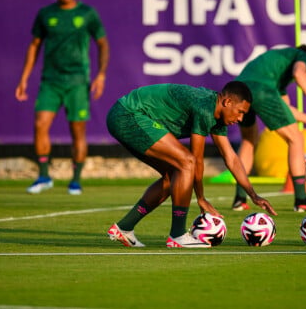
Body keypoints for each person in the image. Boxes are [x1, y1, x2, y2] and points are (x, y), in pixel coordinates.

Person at [106, 81, 277, 248]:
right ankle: (178, 235)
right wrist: (200, 198)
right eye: (240, 112)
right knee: (186, 163)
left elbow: (230, 157)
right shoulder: (204, 107)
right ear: (227, 102)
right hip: (127, 114)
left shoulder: (217, 115)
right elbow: (196, 159)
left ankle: (124, 227)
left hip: (126, 115)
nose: (240, 118)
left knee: (173, 175)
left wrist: (253, 195)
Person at [15, 0, 109, 195]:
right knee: (40, 124)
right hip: (51, 81)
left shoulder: (87, 14)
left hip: (77, 81)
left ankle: (75, 180)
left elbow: (103, 44)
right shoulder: (46, 14)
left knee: (77, 132)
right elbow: (34, 45)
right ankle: (44, 175)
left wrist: (101, 74)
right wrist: (24, 78)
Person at [230, 45, 306, 212]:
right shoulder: (303, 56)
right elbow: (299, 74)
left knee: (249, 141)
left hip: (239, 90)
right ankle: (301, 199)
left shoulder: (277, 73)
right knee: (296, 138)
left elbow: (287, 111)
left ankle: (239, 199)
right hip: (261, 90)